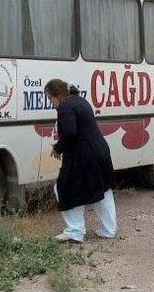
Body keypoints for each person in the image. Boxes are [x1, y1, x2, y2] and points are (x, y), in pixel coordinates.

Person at [44, 79, 117, 243]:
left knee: (64, 187)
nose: (50, 103)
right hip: (100, 151)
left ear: (58, 95)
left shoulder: (65, 107)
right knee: (102, 189)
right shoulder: (80, 101)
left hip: (83, 155)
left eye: (50, 98)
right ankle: (108, 230)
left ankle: (75, 231)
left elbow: (70, 132)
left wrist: (57, 148)